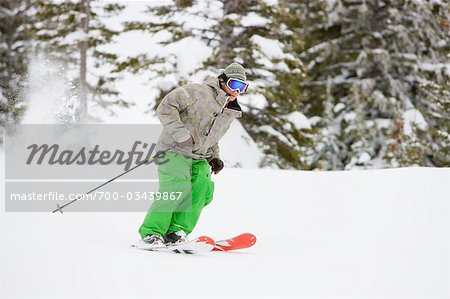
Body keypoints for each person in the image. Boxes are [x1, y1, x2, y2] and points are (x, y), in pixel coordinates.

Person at [137, 62, 249, 247]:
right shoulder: (197, 91)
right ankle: (152, 232)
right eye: (234, 85)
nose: (237, 91)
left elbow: (212, 135)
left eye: (242, 87)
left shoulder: (229, 111)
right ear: (223, 81)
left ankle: (176, 231)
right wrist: (181, 135)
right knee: (177, 186)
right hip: (174, 150)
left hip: (200, 156)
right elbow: (166, 107)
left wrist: (215, 156)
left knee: (202, 189)